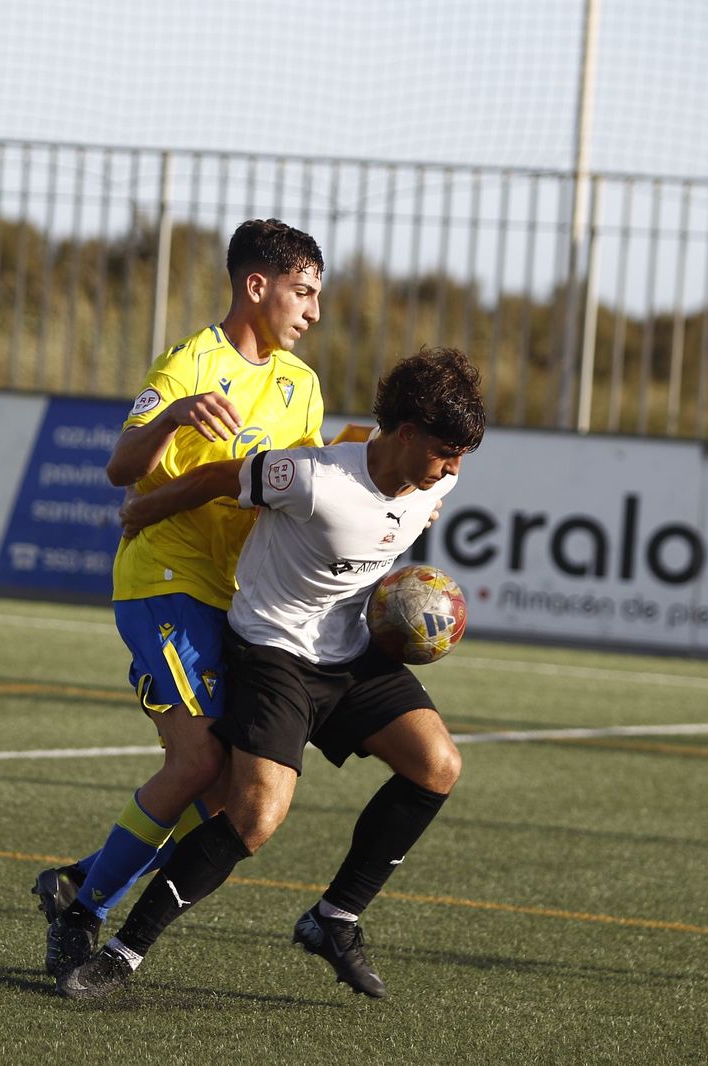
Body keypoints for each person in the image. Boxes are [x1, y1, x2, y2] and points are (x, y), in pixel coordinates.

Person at [57, 347, 485, 1001]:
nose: (454, 468)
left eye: (462, 456)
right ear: (406, 433)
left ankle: (334, 919)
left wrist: (423, 515)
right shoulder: (315, 478)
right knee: (256, 813)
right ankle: (122, 953)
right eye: (446, 451)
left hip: (350, 650)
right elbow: (221, 477)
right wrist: (149, 510)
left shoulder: (437, 481)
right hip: (274, 653)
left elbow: (411, 509)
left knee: (438, 765)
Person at [35, 219, 326, 978]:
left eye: (318, 295)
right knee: (196, 759)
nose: (314, 312)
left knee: (234, 784)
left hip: (237, 597)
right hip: (163, 580)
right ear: (255, 286)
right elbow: (119, 468)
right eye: (303, 292)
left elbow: (297, 488)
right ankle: (85, 913)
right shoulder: (189, 363)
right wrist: (170, 415)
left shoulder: (302, 387)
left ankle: (81, 877)